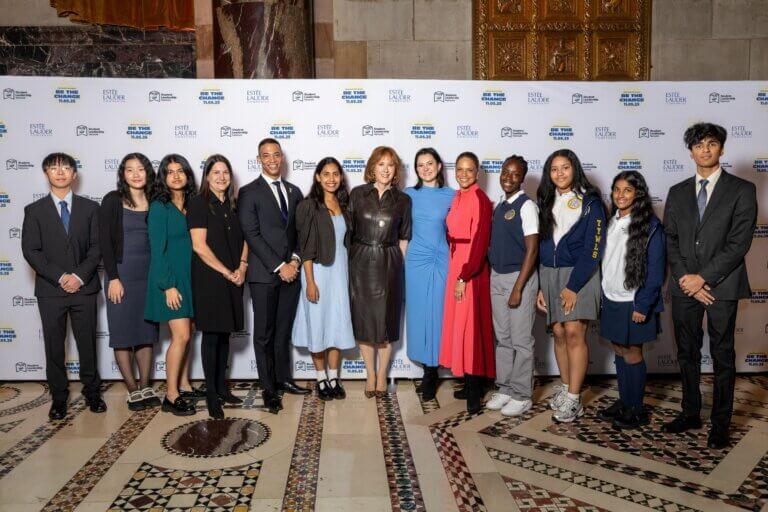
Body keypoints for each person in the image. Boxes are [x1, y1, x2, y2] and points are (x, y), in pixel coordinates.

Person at [662, 123, 757, 449]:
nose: (705, 149)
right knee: (687, 353)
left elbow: (739, 242)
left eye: (712, 144)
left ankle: (720, 423)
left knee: (723, 355)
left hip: (723, 285)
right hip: (684, 285)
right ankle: (690, 412)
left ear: (722, 149)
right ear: (690, 151)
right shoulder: (676, 192)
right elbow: (670, 240)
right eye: (699, 145)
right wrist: (687, 279)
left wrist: (704, 278)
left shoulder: (742, 190)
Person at [22, 152, 106, 420]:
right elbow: (31, 251)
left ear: (74, 174)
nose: (60, 172)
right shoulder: (34, 210)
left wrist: (78, 276)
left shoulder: (91, 208)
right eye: (54, 168)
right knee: (54, 346)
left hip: (85, 288)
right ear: (46, 173)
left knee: (87, 344)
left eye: (66, 168)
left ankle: (92, 392)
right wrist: (60, 277)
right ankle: (59, 398)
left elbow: (97, 247)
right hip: (50, 291)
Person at [238, 138, 309, 415]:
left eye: (276, 155)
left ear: (282, 158)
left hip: (291, 273)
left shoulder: (294, 191)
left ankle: (283, 379)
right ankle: (269, 389)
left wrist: (295, 259)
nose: (272, 159)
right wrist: (281, 265)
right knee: (264, 335)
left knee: (282, 333)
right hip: (264, 275)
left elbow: (301, 232)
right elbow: (251, 235)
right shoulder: (248, 192)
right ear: (259, 159)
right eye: (266, 155)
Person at [536, 149, 606, 423]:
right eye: (554, 169)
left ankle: (576, 399)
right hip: (549, 274)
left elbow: (593, 249)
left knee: (575, 333)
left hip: (580, 275)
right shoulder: (545, 200)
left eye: (565, 167)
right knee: (559, 332)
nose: (560, 173)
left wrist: (574, 286)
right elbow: (542, 245)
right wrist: (542, 286)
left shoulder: (591, 203)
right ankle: (566, 389)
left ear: (575, 169)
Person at [597, 171, 666, 430]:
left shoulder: (650, 226)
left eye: (627, 190)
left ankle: (636, 408)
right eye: (616, 190)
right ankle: (624, 401)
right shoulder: (611, 221)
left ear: (638, 193)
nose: (621, 195)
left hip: (634, 301)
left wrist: (643, 304)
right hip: (611, 298)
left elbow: (657, 270)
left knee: (633, 351)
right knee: (618, 348)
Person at [98, 153, 161, 411]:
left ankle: (145, 386)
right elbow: (105, 242)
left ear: (148, 172)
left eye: (140, 169)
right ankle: (132, 389)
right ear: (122, 174)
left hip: (149, 275)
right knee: (123, 334)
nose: (135, 174)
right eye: (129, 170)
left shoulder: (157, 201)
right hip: (121, 275)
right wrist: (113, 277)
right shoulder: (112, 200)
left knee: (146, 333)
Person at [348, 146, 412, 398]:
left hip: (389, 262)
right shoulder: (357, 194)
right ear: (372, 167)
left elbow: (405, 236)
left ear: (396, 170)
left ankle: (382, 374)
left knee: (387, 320)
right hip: (361, 262)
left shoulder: (403, 200)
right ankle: (370, 374)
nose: (385, 169)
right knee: (364, 320)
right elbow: (349, 232)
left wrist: (396, 262)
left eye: (390, 165)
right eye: (381, 164)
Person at [187, 154, 248, 418]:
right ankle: (211, 395)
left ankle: (221, 388)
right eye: (216, 173)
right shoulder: (198, 203)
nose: (221, 177)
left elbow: (246, 237)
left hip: (235, 276)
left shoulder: (235, 203)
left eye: (225, 172)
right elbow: (199, 246)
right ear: (207, 176)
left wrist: (242, 267)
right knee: (212, 336)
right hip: (211, 279)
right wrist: (226, 272)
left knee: (225, 335)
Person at [292, 157, 355, 400]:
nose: (331, 179)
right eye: (326, 174)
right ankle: (320, 379)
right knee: (318, 326)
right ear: (317, 177)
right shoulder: (309, 206)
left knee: (337, 324)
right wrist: (309, 282)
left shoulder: (344, 205)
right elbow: (305, 248)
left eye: (335, 174)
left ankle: (333, 377)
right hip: (317, 273)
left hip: (339, 274)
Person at [439, 151, 494, 413]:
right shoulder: (458, 197)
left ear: (477, 172)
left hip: (469, 270)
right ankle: (469, 384)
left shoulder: (481, 199)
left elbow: (480, 242)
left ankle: (475, 394)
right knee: (458, 326)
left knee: (470, 330)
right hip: (455, 265)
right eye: (459, 169)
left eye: (469, 169)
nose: (463, 174)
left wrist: (464, 275)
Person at [144, 154, 200, 416]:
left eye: (181, 170)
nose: (176, 175)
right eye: (170, 171)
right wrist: (168, 286)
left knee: (189, 334)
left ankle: (185, 384)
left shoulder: (192, 203)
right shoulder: (159, 207)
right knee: (182, 336)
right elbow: (157, 250)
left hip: (191, 279)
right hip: (170, 279)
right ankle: (171, 394)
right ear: (163, 177)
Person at [485, 155, 540, 417]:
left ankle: (522, 394)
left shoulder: (526, 206)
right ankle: (505, 388)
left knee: (520, 341)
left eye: (515, 174)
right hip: (497, 276)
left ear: (522, 178)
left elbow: (532, 250)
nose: (508, 177)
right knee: (503, 339)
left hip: (520, 278)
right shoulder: (499, 206)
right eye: (505, 172)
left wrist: (519, 287)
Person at [404, 148, 454, 401]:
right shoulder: (408, 194)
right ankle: (425, 365)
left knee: (438, 314)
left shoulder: (452, 195)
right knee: (418, 314)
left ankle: (432, 371)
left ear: (439, 166)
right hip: (414, 261)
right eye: (420, 164)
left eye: (429, 163)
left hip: (440, 259)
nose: (425, 168)